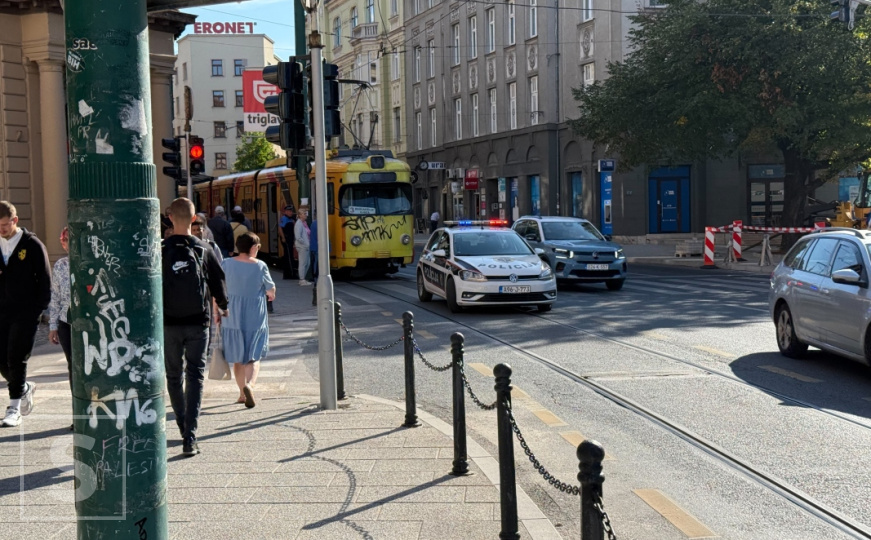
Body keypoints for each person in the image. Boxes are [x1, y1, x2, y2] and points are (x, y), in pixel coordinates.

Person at [162, 197, 229, 456]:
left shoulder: (161, 248)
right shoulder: (204, 247)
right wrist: (223, 305)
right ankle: (190, 435)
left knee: (173, 376)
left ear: (170, 218)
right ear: (193, 219)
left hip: (168, 323)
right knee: (195, 375)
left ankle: (181, 424)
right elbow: (218, 282)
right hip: (198, 322)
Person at [0, 201, 50, 427]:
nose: (2, 229)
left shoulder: (32, 245)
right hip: (2, 311)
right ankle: (24, 388)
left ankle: (13, 409)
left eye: (4, 225)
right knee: (2, 359)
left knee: (16, 357)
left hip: (25, 312)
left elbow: (44, 279)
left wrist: (37, 310)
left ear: (15, 221)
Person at [220, 232, 276, 408]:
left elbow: (219, 287)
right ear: (253, 248)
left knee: (238, 357)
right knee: (253, 355)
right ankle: (249, 385)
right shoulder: (260, 266)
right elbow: (270, 289)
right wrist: (271, 294)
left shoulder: (226, 263)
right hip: (254, 314)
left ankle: (241, 394)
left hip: (232, 313)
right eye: (258, 247)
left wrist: (216, 310)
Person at [48, 227, 72, 428]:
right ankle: (78, 413)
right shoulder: (61, 265)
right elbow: (55, 297)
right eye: (65, 240)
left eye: (71, 240)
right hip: (66, 322)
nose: (67, 244)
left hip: (89, 324)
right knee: (73, 367)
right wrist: (53, 325)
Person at [294, 205, 312, 286]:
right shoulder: (299, 224)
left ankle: (303, 279)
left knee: (307, 263)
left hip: (306, 246)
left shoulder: (304, 223)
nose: (306, 215)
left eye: (306, 213)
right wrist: (305, 243)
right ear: (300, 215)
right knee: (303, 263)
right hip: (302, 247)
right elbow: (298, 237)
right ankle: (302, 280)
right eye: (304, 213)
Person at [277, 205, 296, 280]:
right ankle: (290, 274)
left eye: (291, 211)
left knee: (290, 256)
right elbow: (280, 228)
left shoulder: (291, 219)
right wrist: (283, 237)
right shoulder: (284, 218)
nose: (291, 212)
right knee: (288, 256)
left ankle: (289, 273)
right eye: (289, 211)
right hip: (287, 239)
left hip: (291, 239)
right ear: (286, 212)